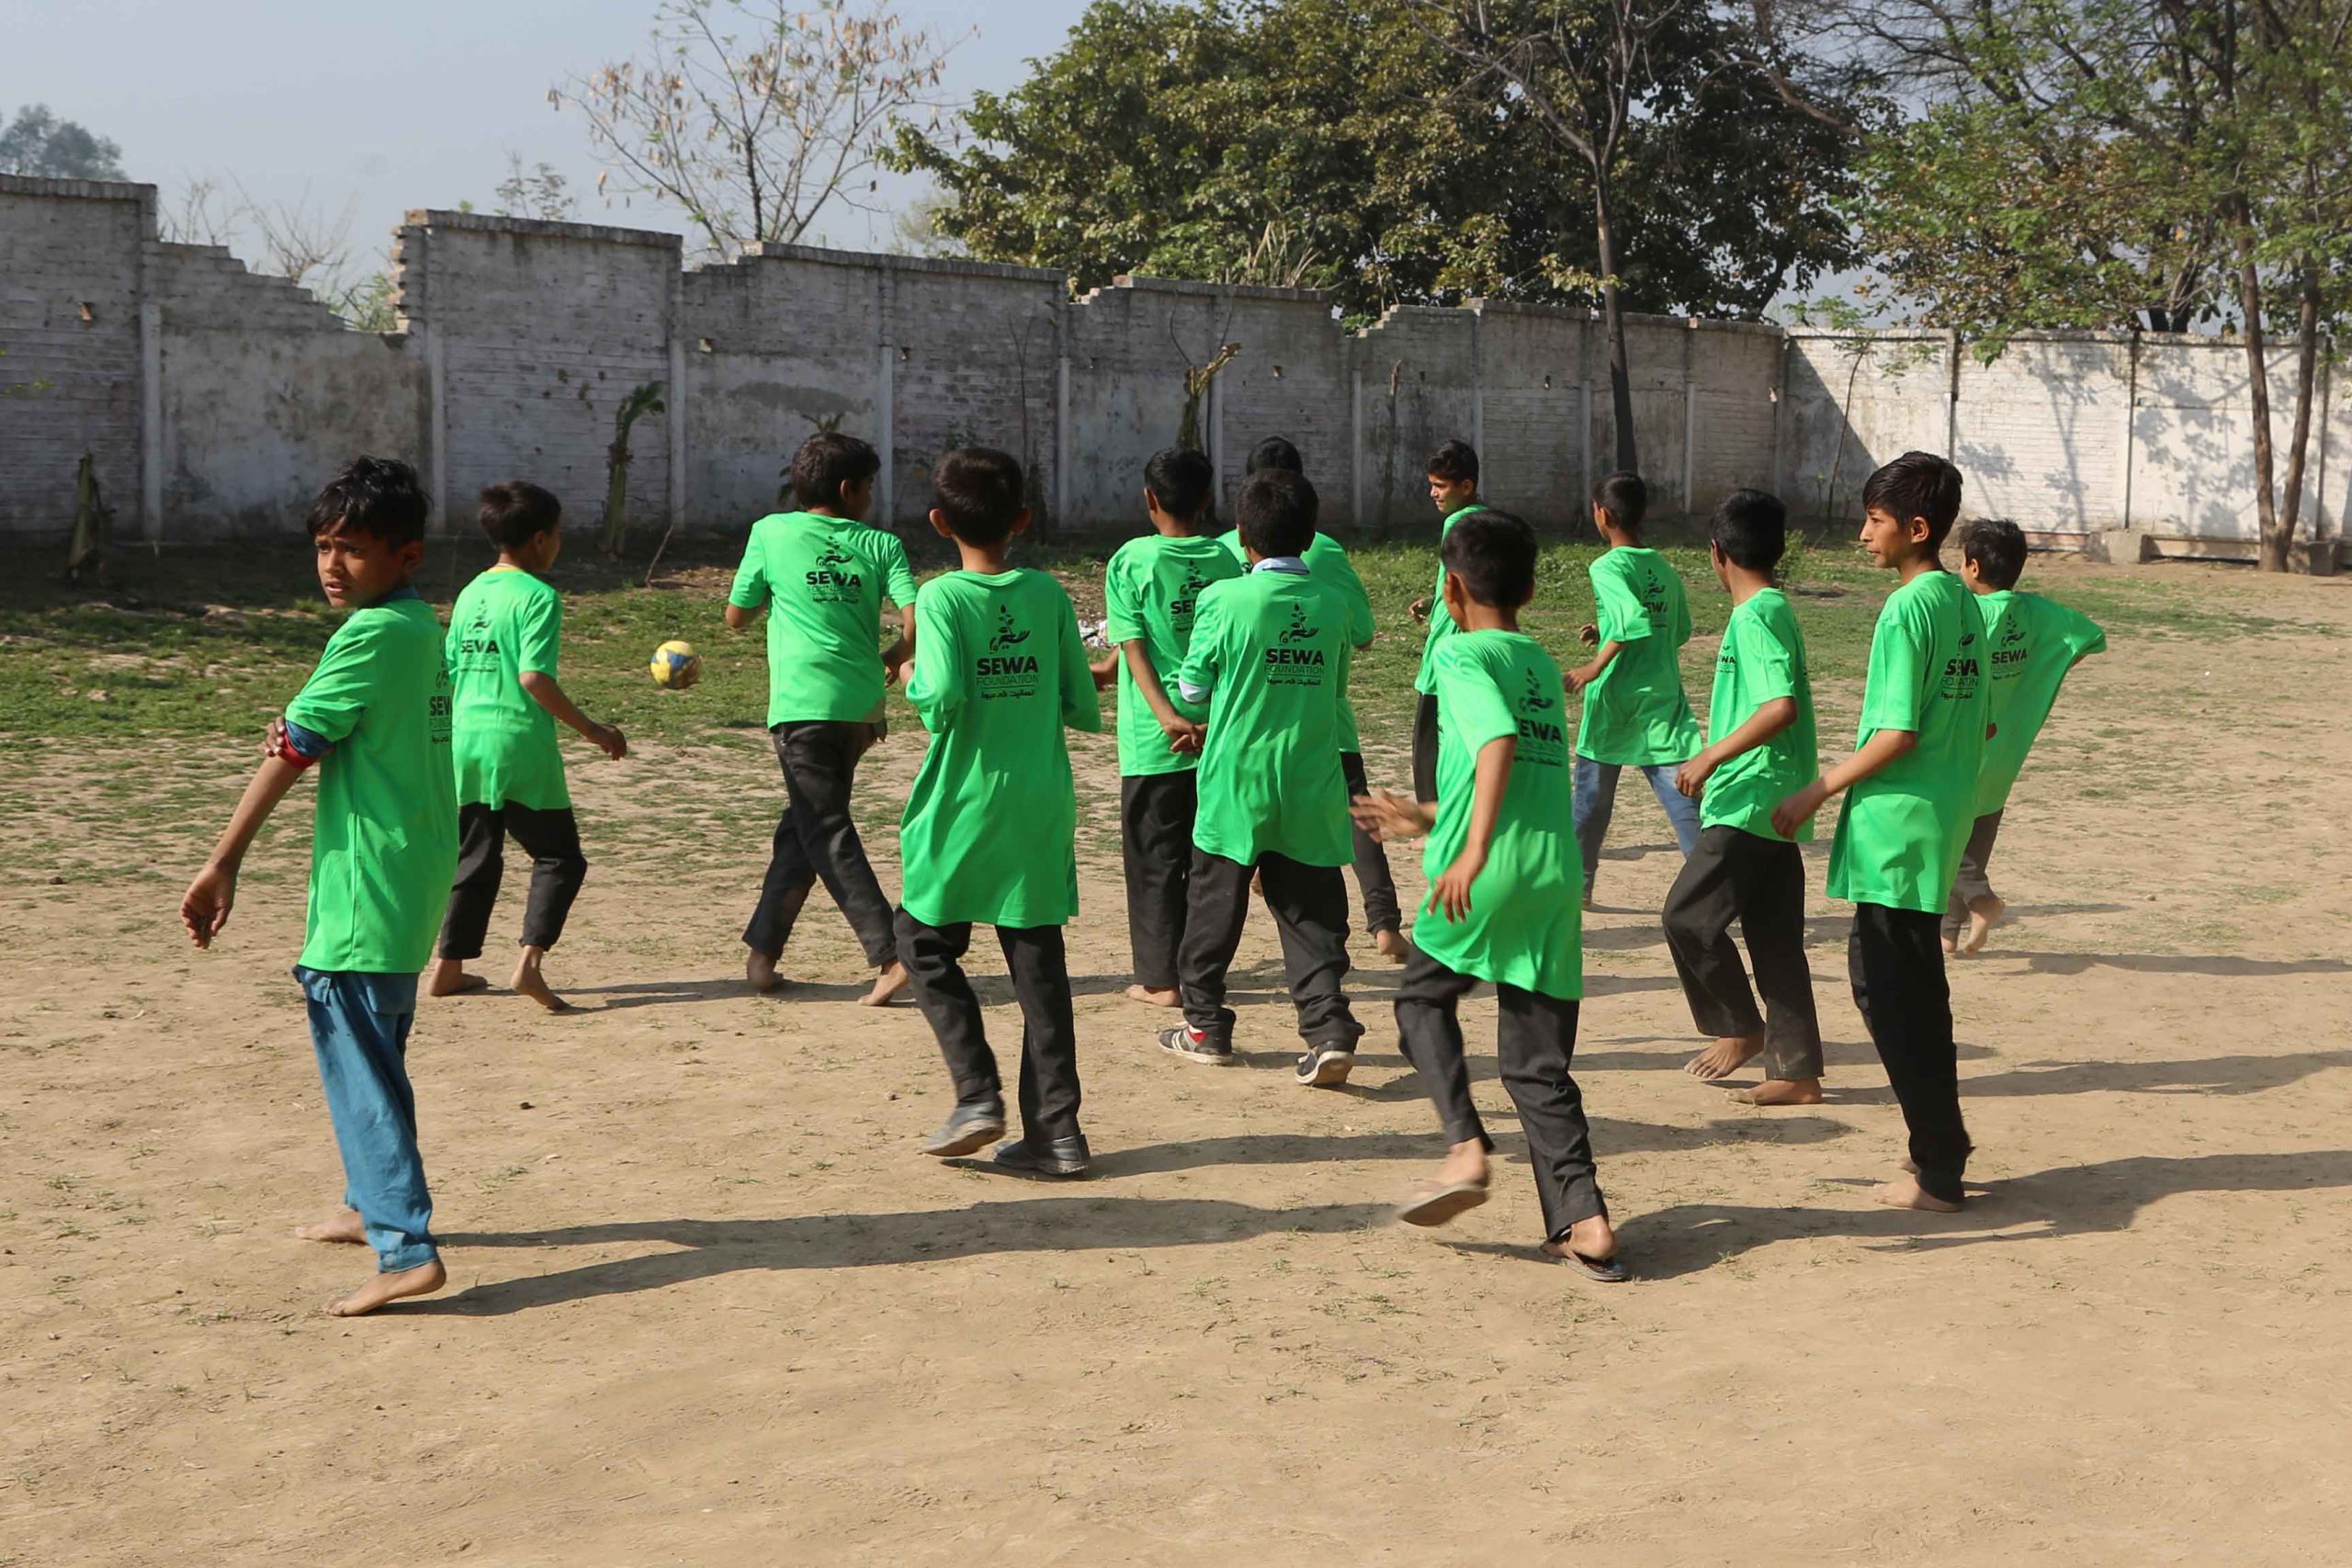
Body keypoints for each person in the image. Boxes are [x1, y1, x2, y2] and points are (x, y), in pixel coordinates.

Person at [176, 456, 458, 1316]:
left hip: (366, 886)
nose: (333, 565)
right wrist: (303, 729)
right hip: (410, 872)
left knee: (358, 1060)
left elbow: (296, 747)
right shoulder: (418, 626)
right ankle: (367, 1204)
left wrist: (223, 859)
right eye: (325, 546)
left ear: (406, 555)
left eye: (354, 549)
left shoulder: (368, 636)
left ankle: (405, 1247)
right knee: (378, 1052)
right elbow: (326, 729)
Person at [1353, 509, 1624, 1281]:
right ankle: (1586, 1221)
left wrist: (1469, 850)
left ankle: (1465, 1148)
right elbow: (1514, 773)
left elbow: (1498, 741)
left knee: (1420, 1003)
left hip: (1487, 871)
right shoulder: (1537, 660)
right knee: (1537, 1065)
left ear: (1449, 589)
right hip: (1551, 872)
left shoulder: (1459, 654)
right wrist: (1426, 815)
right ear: (1532, 590)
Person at [1773, 451, 1989, 1213]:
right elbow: (1978, 718)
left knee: (1893, 994)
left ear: (1916, 528)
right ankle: (1939, 1144)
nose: (1864, 534)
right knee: (1910, 990)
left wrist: (1814, 790)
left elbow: (1897, 732)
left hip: (1898, 829)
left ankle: (1938, 1166)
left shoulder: (1907, 608)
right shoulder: (1964, 601)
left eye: (1874, 520)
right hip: (1934, 822)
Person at [898, 447, 1104, 1177]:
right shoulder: (1047, 594)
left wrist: (910, 674)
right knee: (1037, 961)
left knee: (921, 939)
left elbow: (942, 699)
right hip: (1040, 799)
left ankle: (976, 1093)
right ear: (1022, 519)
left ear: (938, 522)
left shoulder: (941, 599)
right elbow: (1078, 699)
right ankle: (1058, 1132)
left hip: (965, 800)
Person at [1158, 468, 1368, 1086]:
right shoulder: (1333, 604)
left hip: (1237, 778)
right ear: (1310, 535)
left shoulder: (1224, 598)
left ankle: (1204, 1025)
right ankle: (1329, 1028)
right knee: (1312, 908)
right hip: (1310, 776)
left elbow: (1192, 690)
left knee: (1214, 903)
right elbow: (1334, 689)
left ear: (1242, 537)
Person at [726, 431, 917, 1006]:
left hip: (802, 707)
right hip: (859, 710)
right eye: (870, 487)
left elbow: (736, 616)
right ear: (849, 489)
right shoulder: (882, 545)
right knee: (806, 826)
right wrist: (890, 657)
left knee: (824, 828)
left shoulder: (770, 532)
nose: (872, 497)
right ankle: (762, 957)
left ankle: (891, 954)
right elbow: (916, 622)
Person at [428, 480, 626, 1012]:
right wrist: (594, 730)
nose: (559, 543)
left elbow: (448, 670)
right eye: (558, 533)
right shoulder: (538, 597)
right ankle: (529, 964)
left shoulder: (472, 592)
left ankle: (448, 968)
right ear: (540, 539)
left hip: (465, 741)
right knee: (560, 857)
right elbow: (533, 677)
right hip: (516, 744)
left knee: (475, 856)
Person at [1661, 489, 1825, 1106]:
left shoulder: (1757, 615)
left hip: (1751, 797)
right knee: (1775, 942)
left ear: (1717, 553)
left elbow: (1779, 707)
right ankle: (1797, 1073)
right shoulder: (1771, 609)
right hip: (1773, 798)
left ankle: (1741, 1028)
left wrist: (1710, 755)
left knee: (1686, 917)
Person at [1226, 434, 1407, 961]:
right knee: (1357, 811)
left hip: (1248, 726)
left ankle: (1204, 969)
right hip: (1322, 718)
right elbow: (1364, 632)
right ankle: (1384, 924)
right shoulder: (1323, 549)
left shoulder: (1225, 548)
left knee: (1238, 824)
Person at [1098, 446, 1243, 1007]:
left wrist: (1165, 716)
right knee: (1205, 858)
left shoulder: (1131, 560)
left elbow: (1135, 643)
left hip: (1154, 739)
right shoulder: (1226, 559)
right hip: (1216, 732)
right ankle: (1199, 968)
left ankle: (1160, 980)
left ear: (1149, 498)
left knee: (1154, 858)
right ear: (1207, 500)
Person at [1948, 517, 2107, 955]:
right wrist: (2037, 671)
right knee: (1978, 830)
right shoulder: (2033, 611)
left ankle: (1981, 899)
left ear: (1973, 566)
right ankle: (1947, 932)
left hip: (1964, 742)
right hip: (2007, 746)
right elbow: (2088, 637)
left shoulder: (1964, 612)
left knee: (1941, 830)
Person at [1563, 470, 1702, 904]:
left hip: (1614, 704)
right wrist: (1603, 631)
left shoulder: (1606, 566)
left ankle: (1577, 888)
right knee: (1684, 804)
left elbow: (1630, 622)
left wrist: (1595, 664)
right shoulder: (1662, 567)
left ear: (1602, 515)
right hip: (1661, 701)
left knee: (1590, 807)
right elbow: (1678, 629)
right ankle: (1711, 888)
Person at [1408, 439, 1487, 805]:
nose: (1433, 493)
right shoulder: (1487, 519)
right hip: (1474, 640)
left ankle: (1432, 816)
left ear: (1466, 486)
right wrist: (1433, 601)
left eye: (1440, 486)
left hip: (1447, 643)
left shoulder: (1456, 522)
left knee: (1427, 741)